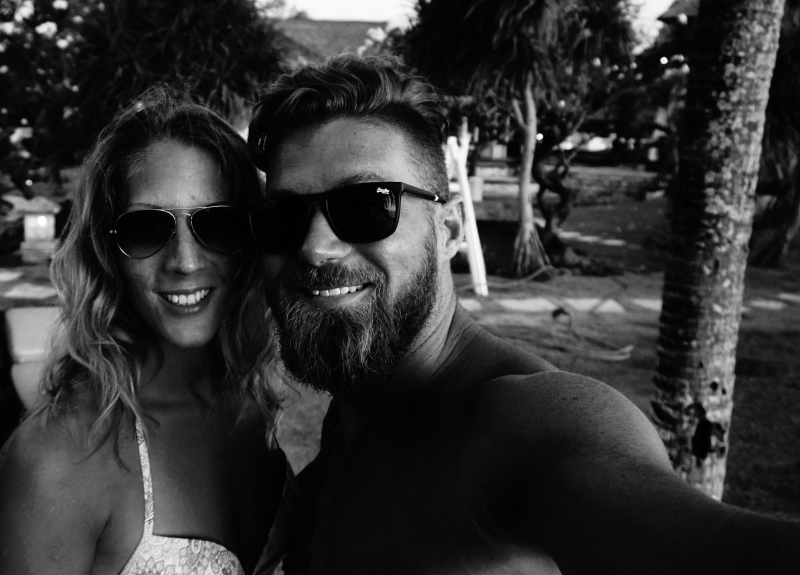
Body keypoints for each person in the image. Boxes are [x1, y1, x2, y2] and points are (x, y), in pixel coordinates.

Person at [245, 54, 800, 574]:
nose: (315, 247)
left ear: (450, 229)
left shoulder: (524, 422)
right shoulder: (354, 412)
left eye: (367, 206)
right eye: (283, 216)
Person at [0, 88, 293, 575]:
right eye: (147, 229)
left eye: (218, 224)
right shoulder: (60, 459)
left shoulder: (257, 406)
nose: (185, 262)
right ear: (106, 252)